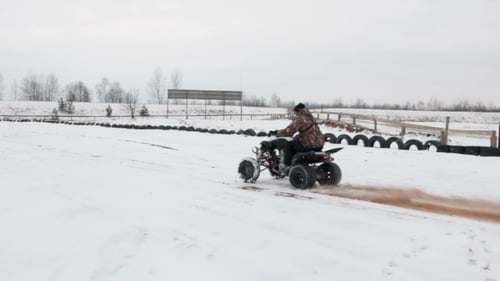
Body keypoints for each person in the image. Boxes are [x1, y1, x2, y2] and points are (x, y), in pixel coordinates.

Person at [268, 103, 324, 168]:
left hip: (309, 145)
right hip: (319, 144)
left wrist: (276, 133)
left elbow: (288, 131)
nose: (295, 114)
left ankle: (286, 165)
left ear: (297, 111)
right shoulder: (310, 117)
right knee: (296, 141)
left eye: (295, 112)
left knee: (286, 144)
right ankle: (297, 162)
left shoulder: (300, 118)